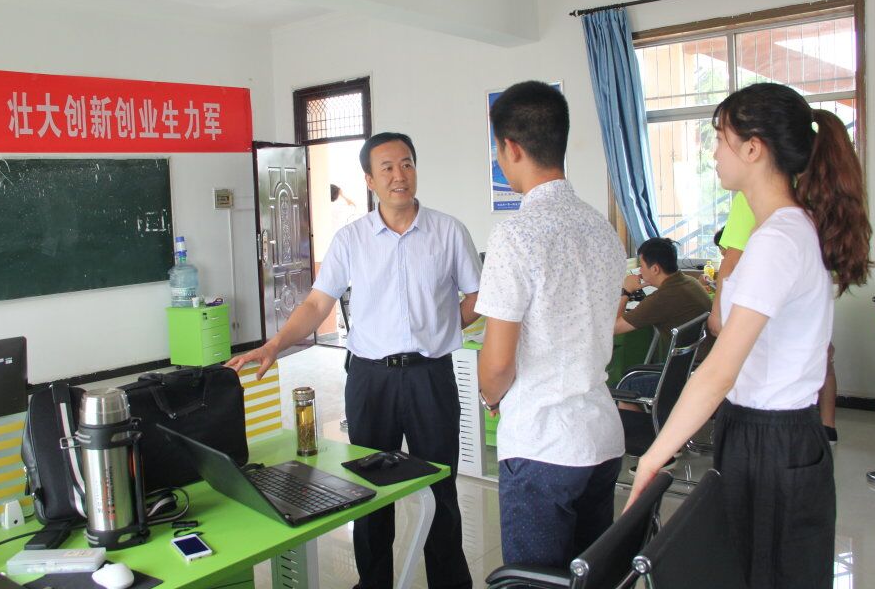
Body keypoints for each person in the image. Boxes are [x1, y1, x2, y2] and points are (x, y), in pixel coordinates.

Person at [627, 82, 873, 588]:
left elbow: (719, 369)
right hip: (764, 433)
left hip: (773, 440)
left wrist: (653, 456)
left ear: (754, 148)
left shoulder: (779, 239)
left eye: (720, 138)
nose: (714, 153)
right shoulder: (782, 229)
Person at [227, 132, 480, 589]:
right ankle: (373, 582)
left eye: (407, 164)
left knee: (440, 487)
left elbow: (477, 296)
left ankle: (450, 583)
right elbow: (316, 304)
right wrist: (275, 344)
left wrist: (443, 327)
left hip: (430, 377)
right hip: (370, 379)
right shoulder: (352, 239)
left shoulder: (449, 231)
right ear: (369, 179)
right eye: (387, 167)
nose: (399, 175)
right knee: (367, 490)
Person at [475, 81, 625, 568]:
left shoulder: (515, 235)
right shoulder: (601, 229)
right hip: (601, 437)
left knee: (534, 580)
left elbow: (497, 363)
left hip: (542, 444)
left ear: (511, 148)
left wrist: (491, 396)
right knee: (588, 577)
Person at [712, 192, 840, 442]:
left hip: (769, 420)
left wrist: (718, 312)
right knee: (823, 359)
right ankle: (828, 426)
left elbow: (732, 261)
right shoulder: (806, 205)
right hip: (796, 415)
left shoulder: (758, 210)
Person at [613, 236, 714, 400]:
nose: (640, 271)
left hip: (690, 372)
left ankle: (635, 417)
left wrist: (626, 291)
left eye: (641, 266)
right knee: (633, 376)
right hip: (702, 365)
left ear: (655, 269)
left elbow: (614, 328)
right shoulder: (690, 282)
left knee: (626, 386)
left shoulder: (662, 298)